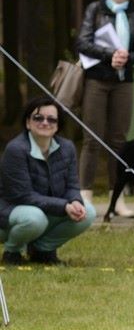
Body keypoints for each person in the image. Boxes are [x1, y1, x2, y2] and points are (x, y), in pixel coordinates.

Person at [76, 0, 134, 217]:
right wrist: (109, 55)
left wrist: (128, 58)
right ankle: (85, 198)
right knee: (91, 139)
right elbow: (82, 42)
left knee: (118, 141)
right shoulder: (95, 10)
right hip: (97, 80)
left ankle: (118, 201)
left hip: (123, 83)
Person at [0, 97, 96, 266]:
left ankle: (42, 250)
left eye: (51, 119)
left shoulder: (67, 147)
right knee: (35, 218)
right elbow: (23, 196)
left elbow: (72, 185)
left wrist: (75, 201)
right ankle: (12, 252)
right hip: (9, 212)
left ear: (58, 126)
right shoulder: (16, 149)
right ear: (28, 123)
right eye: (38, 118)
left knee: (87, 211)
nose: (45, 122)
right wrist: (64, 206)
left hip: (44, 210)